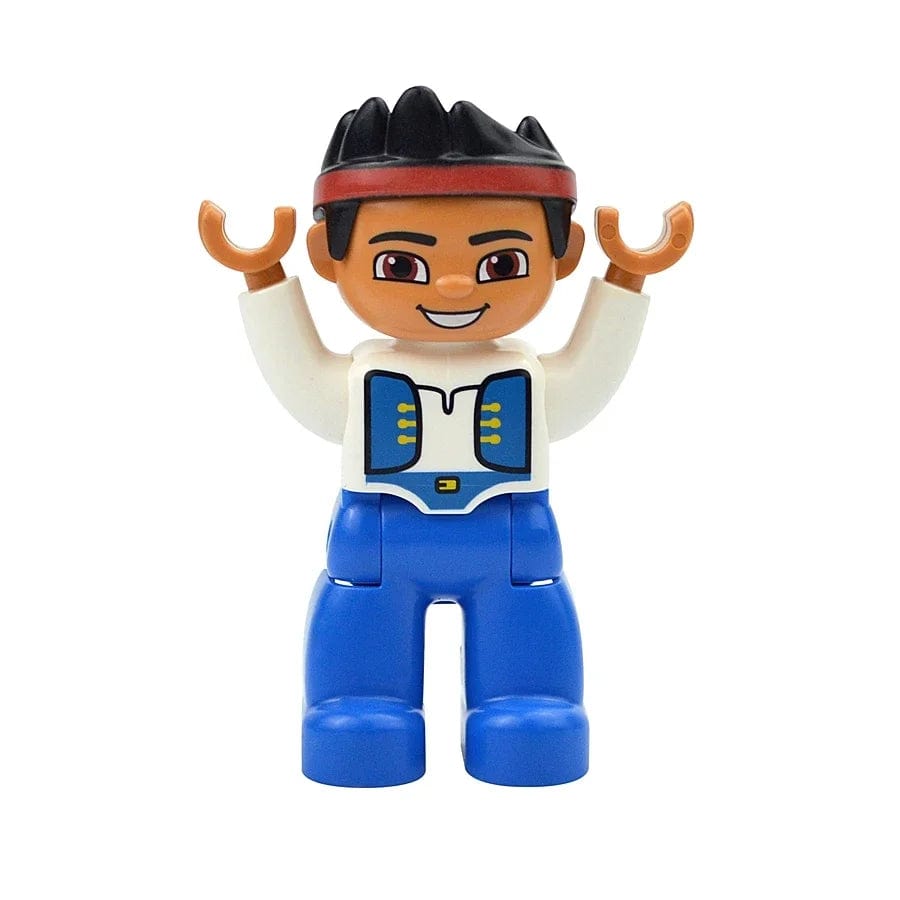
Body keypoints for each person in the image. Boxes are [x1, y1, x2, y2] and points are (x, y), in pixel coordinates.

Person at [199, 86, 692, 787]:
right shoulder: (367, 379)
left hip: (511, 536)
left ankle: (527, 704)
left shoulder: (524, 378)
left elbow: (590, 379)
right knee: (360, 625)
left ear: (565, 254)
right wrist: (263, 275)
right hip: (379, 535)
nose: (456, 287)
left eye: (501, 263)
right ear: (328, 257)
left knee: (528, 623)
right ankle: (360, 706)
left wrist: (627, 277)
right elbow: (299, 380)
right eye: (402, 265)